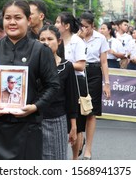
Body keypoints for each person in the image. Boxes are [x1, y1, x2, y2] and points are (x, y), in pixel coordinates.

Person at [0, 0, 60, 160]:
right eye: (8, 18)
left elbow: (53, 86)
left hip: (28, 127)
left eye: (18, 18)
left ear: (28, 20)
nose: (12, 22)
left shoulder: (40, 50)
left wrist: (35, 106)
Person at [38, 25, 78, 160]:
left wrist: (73, 126)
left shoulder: (67, 66)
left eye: (50, 39)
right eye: (42, 39)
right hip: (35, 120)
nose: (46, 43)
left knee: (58, 158)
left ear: (59, 41)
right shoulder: (31, 65)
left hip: (58, 120)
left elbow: (72, 98)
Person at [78, 12, 111, 160]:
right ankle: (79, 139)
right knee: (77, 109)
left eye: (87, 26)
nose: (84, 29)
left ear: (93, 26)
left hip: (93, 73)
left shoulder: (100, 38)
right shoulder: (75, 38)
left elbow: (104, 62)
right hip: (77, 72)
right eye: (82, 26)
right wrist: (78, 38)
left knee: (91, 111)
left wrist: (107, 83)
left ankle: (88, 149)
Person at [54, 11, 86, 160]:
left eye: (57, 22)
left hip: (76, 82)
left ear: (66, 26)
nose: (55, 25)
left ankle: (74, 159)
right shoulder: (56, 40)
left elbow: (81, 65)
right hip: (60, 80)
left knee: (76, 123)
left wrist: (65, 65)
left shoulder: (77, 41)